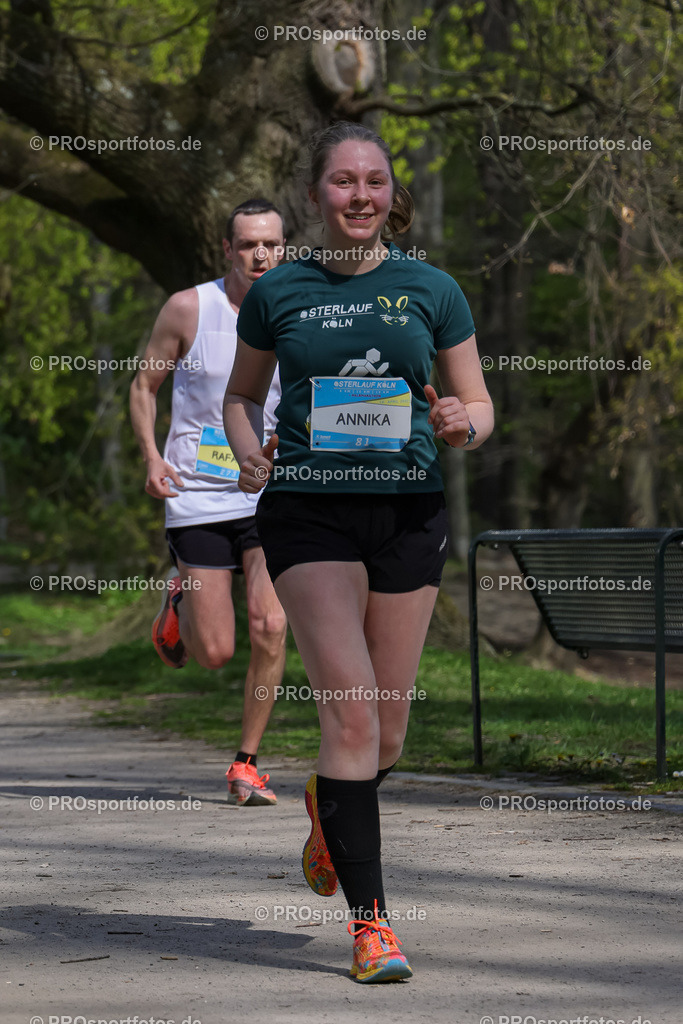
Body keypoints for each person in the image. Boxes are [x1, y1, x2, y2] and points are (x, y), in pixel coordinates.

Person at [223, 123, 494, 980]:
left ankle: (324, 801)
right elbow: (240, 396)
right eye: (342, 182)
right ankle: (372, 929)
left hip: (409, 514)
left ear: (390, 194)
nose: (359, 197)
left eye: (373, 182)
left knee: (387, 732)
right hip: (308, 513)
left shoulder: (432, 288)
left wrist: (463, 424)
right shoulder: (280, 290)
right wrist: (245, 447)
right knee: (349, 713)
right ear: (316, 196)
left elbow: (477, 403)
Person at [129, 198, 288, 807]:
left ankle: (246, 763)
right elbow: (145, 386)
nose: (261, 255)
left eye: (271, 243)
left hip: (268, 492)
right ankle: (180, 602)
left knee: (271, 624)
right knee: (216, 653)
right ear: (228, 249)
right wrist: (152, 458)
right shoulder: (191, 308)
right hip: (197, 496)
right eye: (248, 244)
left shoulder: (299, 311)